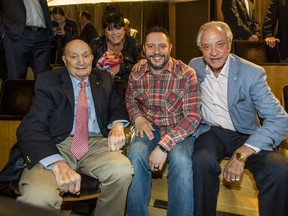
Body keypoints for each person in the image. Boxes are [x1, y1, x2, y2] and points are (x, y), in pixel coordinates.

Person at [2, 39, 133, 216]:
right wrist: (57, 163)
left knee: (122, 170)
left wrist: (117, 125)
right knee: (39, 198)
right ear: (64, 60)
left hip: (95, 144)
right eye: (74, 56)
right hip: (56, 145)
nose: (81, 62)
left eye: (86, 55)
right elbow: (30, 128)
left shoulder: (103, 78)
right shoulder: (48, 81)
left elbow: (117, 106)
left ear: (92, 58)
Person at [188, 21, 288, 216]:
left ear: (230, 44)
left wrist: (243, 153)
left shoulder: (251, 73)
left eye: (220, 44)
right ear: (200, 49)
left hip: (246, 134)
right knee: (201, 161)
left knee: (279, 171)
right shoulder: (195, 66)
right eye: (207, 47)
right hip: (212, 131)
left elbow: (279, 118)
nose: (214, 52)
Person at [126, 26, 202, 216]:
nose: (157, 52)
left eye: (162, 46)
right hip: (150, 128)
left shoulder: (186, 74)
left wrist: (163, 147)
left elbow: (193, 116)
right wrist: (138, 116)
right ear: (144, 49)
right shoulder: (136, 72)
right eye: (151, 46)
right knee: (135, 153)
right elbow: (129, 100)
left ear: (170, 47)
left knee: (182, 160)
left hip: (179, 130)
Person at [0, 0, 53, 79]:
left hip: (42, 35)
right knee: (16, 78)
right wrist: (3, 33)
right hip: (17, 36)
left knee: (44, 78)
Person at [90, 10, 141, 83]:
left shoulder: (133, 44)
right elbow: (86, 67)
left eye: (118, 28)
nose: (114, 33)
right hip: (101, 88)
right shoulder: (96, 44)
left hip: (128, 88)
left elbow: (142, 65)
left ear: (124, 29)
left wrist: (120, 68)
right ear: (104, 32)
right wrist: (97, 71)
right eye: (109, 29)